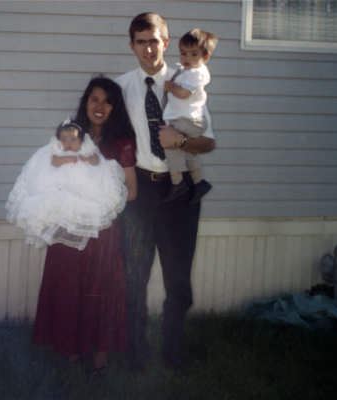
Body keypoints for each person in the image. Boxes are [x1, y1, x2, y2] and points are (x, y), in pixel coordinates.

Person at [116, 12, 216, 371]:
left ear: (166, 42)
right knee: (134, 278)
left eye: (154, 41)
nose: (148, 49)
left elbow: (208, 142)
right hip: (140, 194)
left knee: (178, 281)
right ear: (132, 46)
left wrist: (182, 141)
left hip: (180, 194)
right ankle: (136, 352)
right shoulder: (120, 88)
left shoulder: (187, 80)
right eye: (141, 42)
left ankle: (173, 351)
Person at [27, 77, 137, 375]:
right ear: (85, 102)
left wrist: (98, 200)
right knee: (67, 285)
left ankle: (100, 354)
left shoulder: (122, 142)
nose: (100, 107)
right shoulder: (70, 134)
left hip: (102, 229)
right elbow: (48, 171)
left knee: (100, 288)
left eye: (107, 101)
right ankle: (70, 349)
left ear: (115, 107)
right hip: (68, 225)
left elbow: (131, 191)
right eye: (94, 99)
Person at [5, 120, 127, 251]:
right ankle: (57, 224)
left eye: (73, 140)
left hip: (83, 186)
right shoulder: (58, 151)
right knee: (56, 202)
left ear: (81, 141)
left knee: (84, 203)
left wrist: (88, 159)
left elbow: (97, 161)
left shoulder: (87, 150)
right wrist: (65, 159)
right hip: (61, 185)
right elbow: (54, 162)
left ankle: (77, 224)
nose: (68, 143)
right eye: (64, 140)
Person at [162, 28, 217, 203]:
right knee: (189, 152)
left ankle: (178, 183)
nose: (187, 58)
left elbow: (184, 93)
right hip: (189, 119)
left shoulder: (197, 74)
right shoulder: (187, 71)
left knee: (169, 143)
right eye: (183, 53)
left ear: (205, 57)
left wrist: (170, 87)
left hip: (191, 120)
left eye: (194, 54)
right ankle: (198, 182)